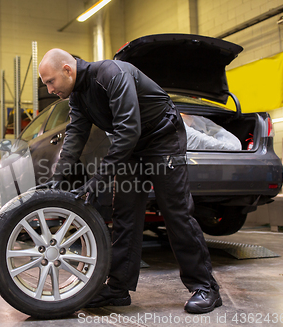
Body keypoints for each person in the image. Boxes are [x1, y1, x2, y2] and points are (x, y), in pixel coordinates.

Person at [38, 49, 221, 314]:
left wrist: (100, 177)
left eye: (50, 81)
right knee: (124, 214)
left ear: (67, 70)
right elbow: (75, 136)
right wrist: (58, 180)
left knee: (176, 213)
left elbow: (128, 128)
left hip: (162, 138)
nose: (50, 88)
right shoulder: (78, 97)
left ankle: (206, 288)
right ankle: (117, 287)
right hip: (132, 147)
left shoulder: (112, 73)